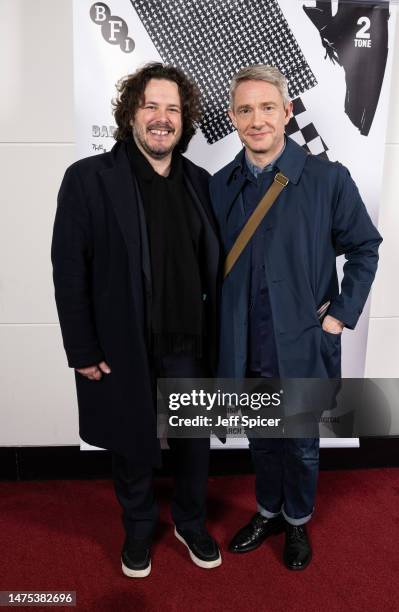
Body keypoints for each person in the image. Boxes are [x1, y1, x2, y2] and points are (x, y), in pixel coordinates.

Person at [51, 62, 221, 577]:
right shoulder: (88, 179)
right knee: (130, 439)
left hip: (190, 341)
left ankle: (190, 522)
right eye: (151, 105)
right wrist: (81, 349)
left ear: (184, 120)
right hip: (122, 339)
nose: (162, 118)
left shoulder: (201, 182)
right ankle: (139, 527)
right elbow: (68, 269)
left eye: (172, 108)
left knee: (194, 439)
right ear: (131, 114)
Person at [209, 65, 382, 570]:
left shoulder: (327, 179)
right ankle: (268, 511)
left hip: (303, 343)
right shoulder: (220, 187)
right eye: (245, 109)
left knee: (302, 444)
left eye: (267, 107)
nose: (257, 119)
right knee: (262, 441)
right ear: (233, 118)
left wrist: (340, 316)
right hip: (246, 344)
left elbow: (365, 248)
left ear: (287, 111)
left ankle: (298, 523)